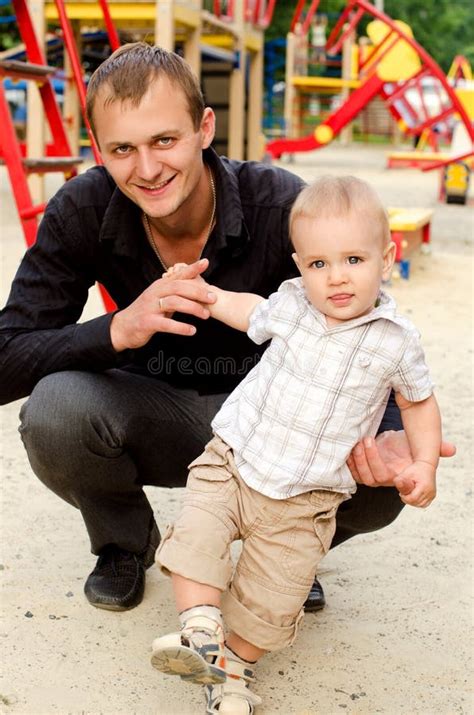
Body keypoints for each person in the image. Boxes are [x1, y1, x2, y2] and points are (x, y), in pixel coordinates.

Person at [0, 43, 453, 615]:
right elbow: (4, 358)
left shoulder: (282, 206)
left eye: (165, 140)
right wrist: (117, 328)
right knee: (55, 409)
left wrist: (392, 434)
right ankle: (124, 542)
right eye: (123, 149)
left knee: (380, 474)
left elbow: (370, 331)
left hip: (278, 430)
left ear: (204, 128)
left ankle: (287, 550)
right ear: (100, 150)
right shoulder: (82, 208)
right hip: (151, 410)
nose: (147, 169)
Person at [149, 176, 441, 714]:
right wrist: (207, 295)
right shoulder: (292, 307)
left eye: (354, 260)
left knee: (273, 600)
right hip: (236, 460)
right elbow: (247, 310)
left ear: (387, 256)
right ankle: (199, 626)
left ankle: (230, 669)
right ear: (299, 265)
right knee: (197, 536)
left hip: (306, 499)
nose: (336, 278)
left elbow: (419, 401)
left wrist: (424, 462)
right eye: (318, 264)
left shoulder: (397, 340)